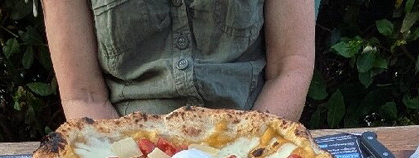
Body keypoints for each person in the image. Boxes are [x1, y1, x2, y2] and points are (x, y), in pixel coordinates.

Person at [41, 0, 316, 122]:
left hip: (251, 140)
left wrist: (250, 151)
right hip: (125, 153)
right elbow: (84, 95)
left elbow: (289, 67)